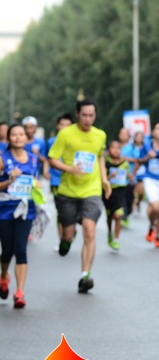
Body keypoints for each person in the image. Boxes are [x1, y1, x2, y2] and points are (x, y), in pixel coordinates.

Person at [47, 99, 111, 293]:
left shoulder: (100, 135)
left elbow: (99, 156)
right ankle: (66, 240)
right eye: (84, 115)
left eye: (91, 115)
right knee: (68, 233)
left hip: (91, 190)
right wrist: (70, 169)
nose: (88, 119)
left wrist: (104, 180)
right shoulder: (65, 134)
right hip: (68, 191)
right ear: (77, 114)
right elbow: (52, 158)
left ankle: (85, 275)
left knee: (90, 231)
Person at [0, 124, 39, 308]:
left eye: (21, 134)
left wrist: (37, 184)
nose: (18, 137)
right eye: (14, 135)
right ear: (9, 138)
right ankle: (3, 276)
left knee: (21, 250)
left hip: (26, 209)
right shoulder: (2, 158)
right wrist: (10, 180)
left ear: (26, 137)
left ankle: (20, 292)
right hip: (5, 209)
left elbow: (34, 180)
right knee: (7, 251)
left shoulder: (33, 159)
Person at [46, 113, 74, 244]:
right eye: (62, 124)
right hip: (56, 180)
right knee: (61, 210)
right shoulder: (51, 142)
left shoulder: (76, 141)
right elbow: (48, 159)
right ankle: (62, 239)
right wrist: (46, 170)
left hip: (73, 181)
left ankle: (69, 230)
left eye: (68, 125)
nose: (64, 127)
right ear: (58, 126)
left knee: (72, 211)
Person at [104, 139, 133, 251]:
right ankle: (109, 233)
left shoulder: (124, 163)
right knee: (110, 216)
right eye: (113, 148)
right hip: (108, 192)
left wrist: (129, 177)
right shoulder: (105, 162)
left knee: (118, 215)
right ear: (109, 150)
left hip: (121, 191)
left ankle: (116, 239)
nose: (116, 151)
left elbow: (127, 175)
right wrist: (109, 177)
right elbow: (102, 178)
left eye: (118, 148)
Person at [21, 116, 50, 181]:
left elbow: (45, 160)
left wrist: (45, 172)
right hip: (20, 175)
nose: (28, 130)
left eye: (31, 127)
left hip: (35, 176)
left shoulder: (40, 142)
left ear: (35, 127)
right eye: (26, 127)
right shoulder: (20, 142)